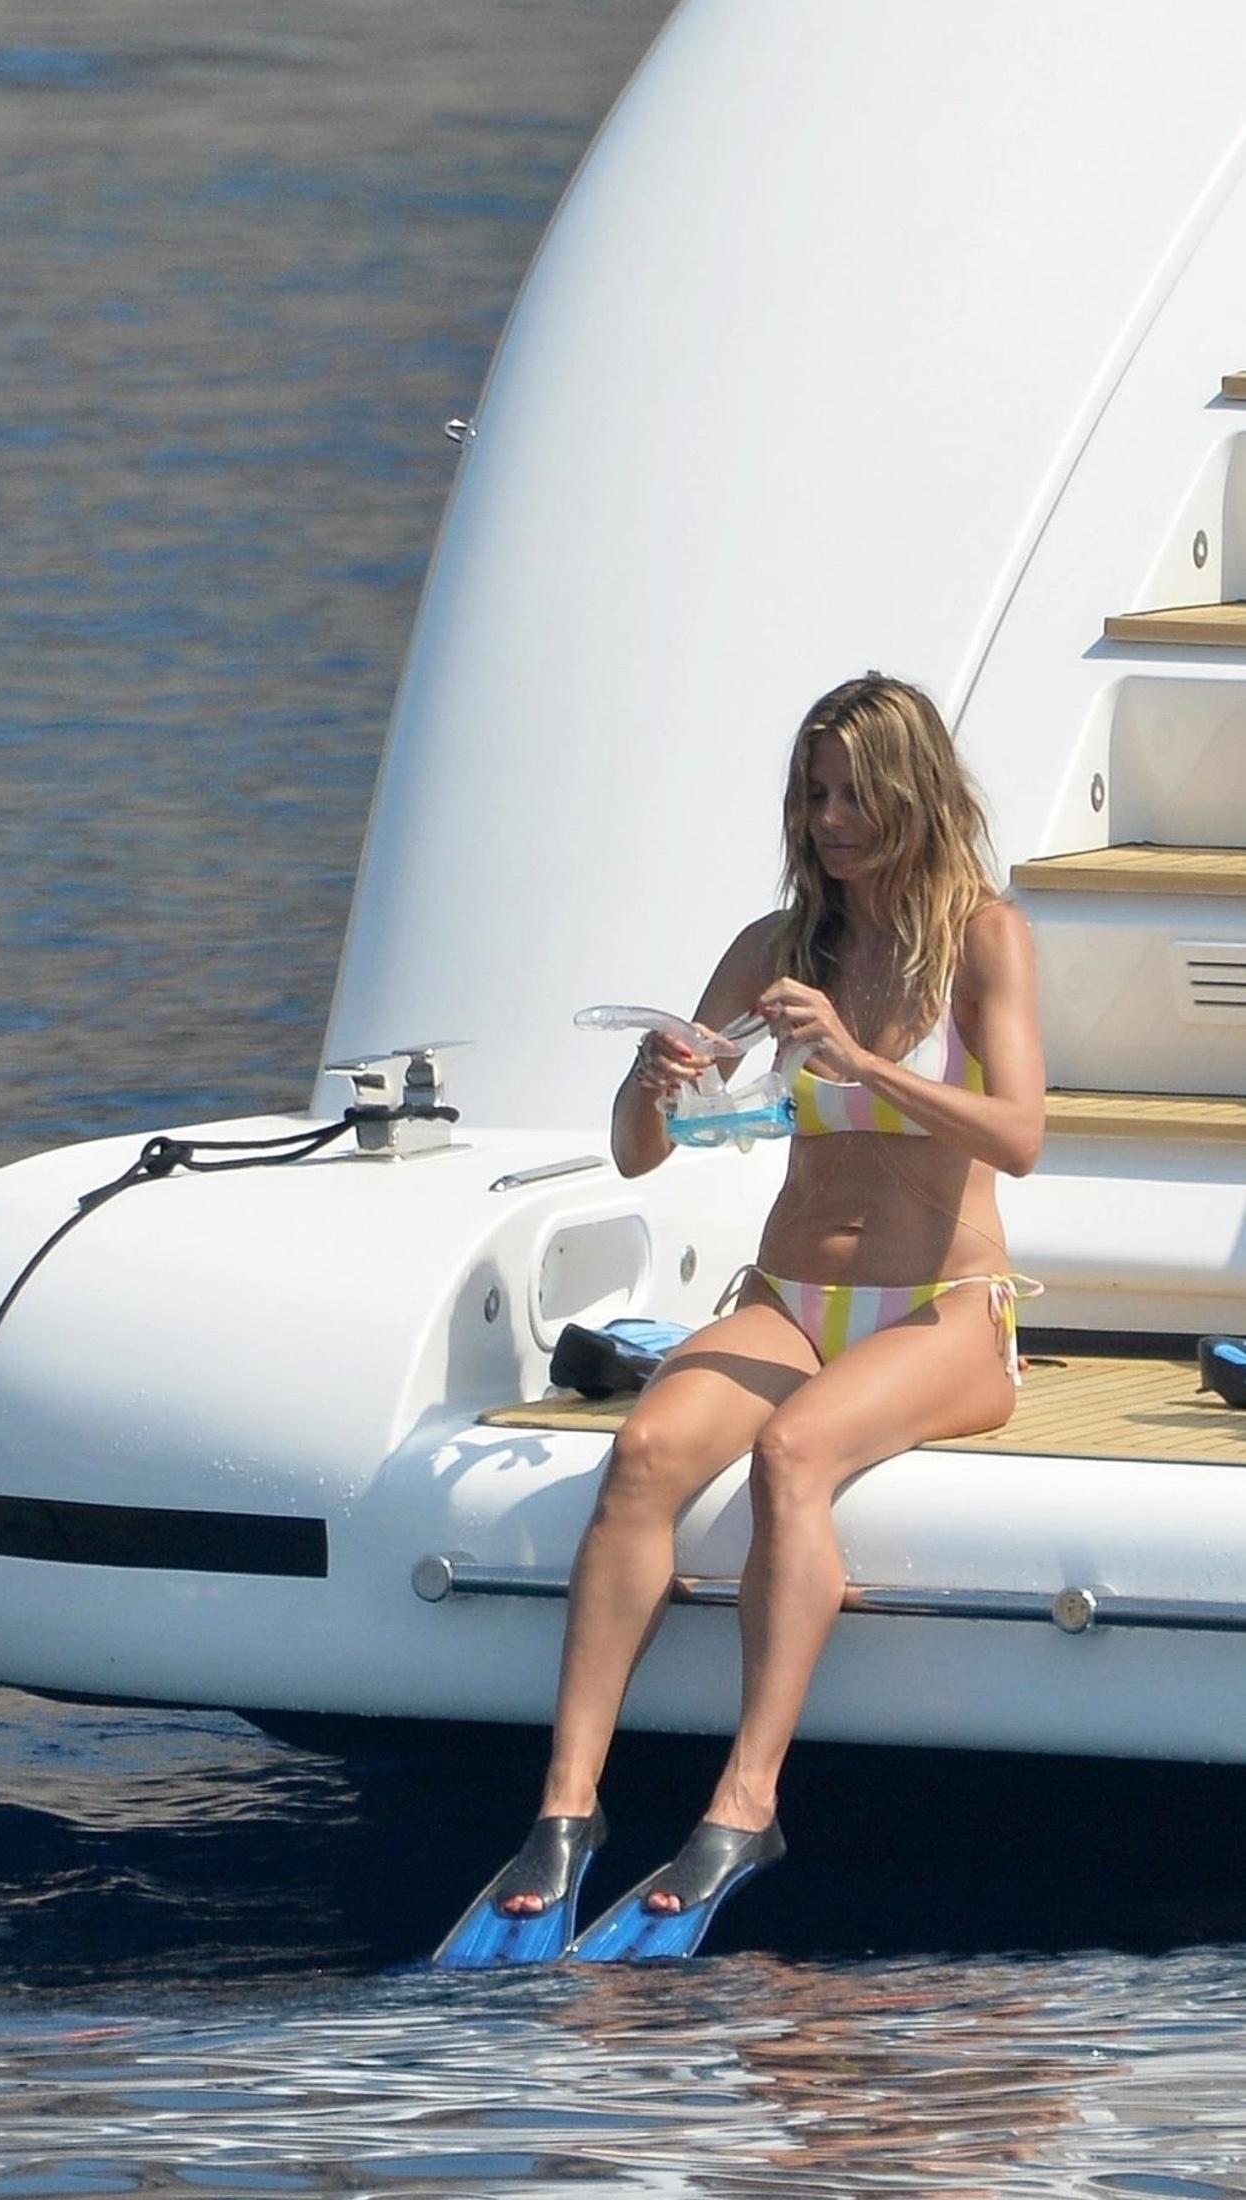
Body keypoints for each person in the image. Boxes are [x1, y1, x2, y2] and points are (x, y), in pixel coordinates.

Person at [435, 672, 1046, 1967]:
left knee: (791, 1457)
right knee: (647, 1454)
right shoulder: (777, 950)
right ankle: (565, 1809)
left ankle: (746, 1802)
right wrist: (654, 1082)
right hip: (788, 1295)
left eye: (853, 795)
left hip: (940, 1307)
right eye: (812, 795)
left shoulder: (983, 937)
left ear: (915, 797)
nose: (829, 820)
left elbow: (1023, 1136)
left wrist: (865, 1061)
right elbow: (642, 1153)